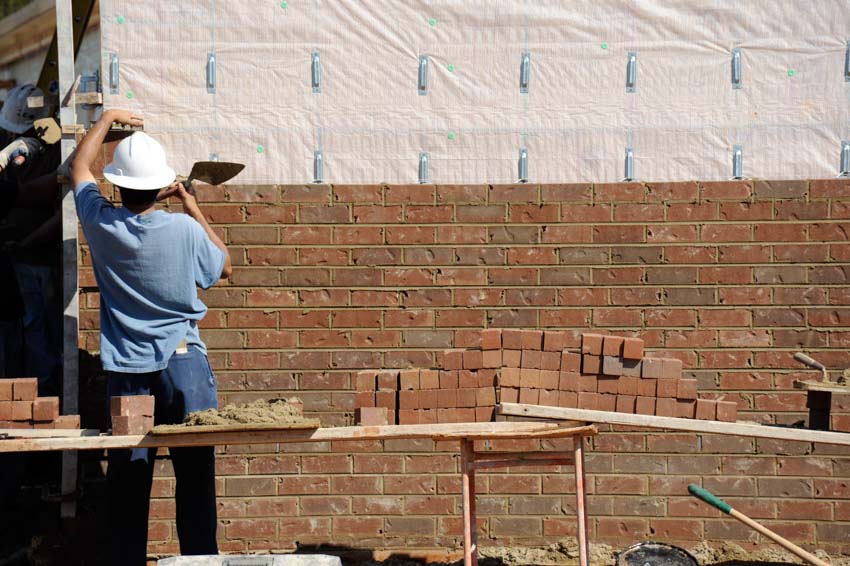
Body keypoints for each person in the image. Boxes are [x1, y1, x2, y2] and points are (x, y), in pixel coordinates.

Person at [70, 108, 232, 565]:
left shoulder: (102, 225)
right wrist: (191, 205)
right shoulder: (182, 228)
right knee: (196, 478)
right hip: (186, 369)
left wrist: (104, 120)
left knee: (128, 482)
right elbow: (226, 265)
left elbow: (78, 168)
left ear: (118, 186)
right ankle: (200, 561)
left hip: (129, 371)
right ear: (161, 185)